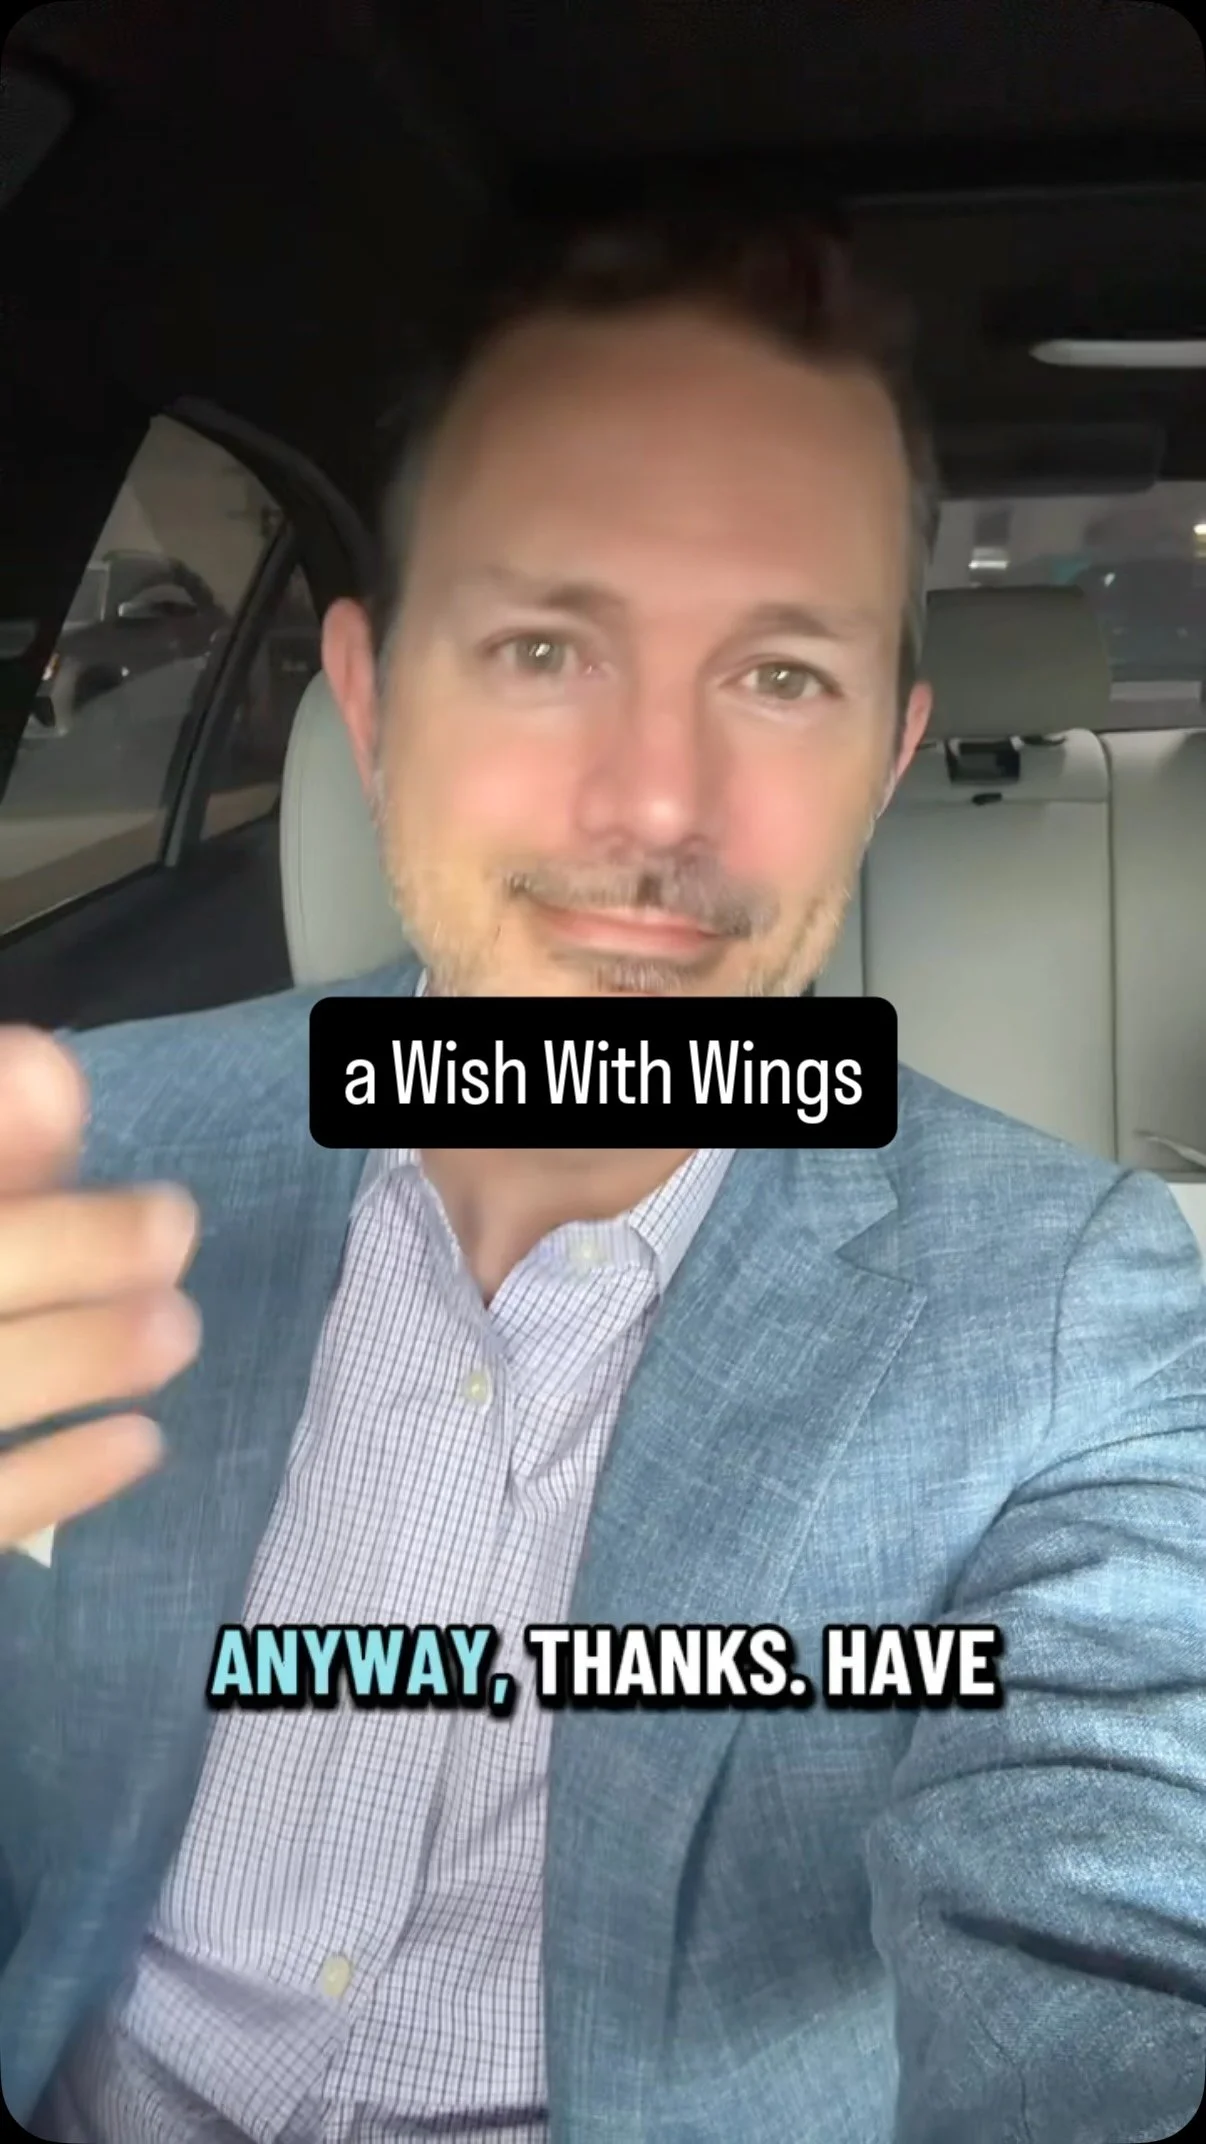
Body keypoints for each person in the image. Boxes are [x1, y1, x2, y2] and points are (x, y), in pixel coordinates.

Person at [1, 202, 1205, 2144]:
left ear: (886, 755)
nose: (656, 800)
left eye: (781, 676)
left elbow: (1127, 1909)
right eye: (545, 646)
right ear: (371, 706)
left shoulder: (1075, 1305)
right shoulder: (76, 1164)